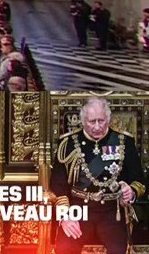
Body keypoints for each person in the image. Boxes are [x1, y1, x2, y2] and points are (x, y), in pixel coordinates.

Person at [49, 96, 144, 254]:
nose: (97, 126)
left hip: (113, 213)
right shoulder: (68, 144)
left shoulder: (124, 142)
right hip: (78, 210)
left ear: (108, 118)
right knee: (65, 249)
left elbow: (138, 180)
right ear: (83, 120)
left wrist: (131, 191)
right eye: (92, 121)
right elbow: (58, 185)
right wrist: (65, 215)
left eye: (101, 120)